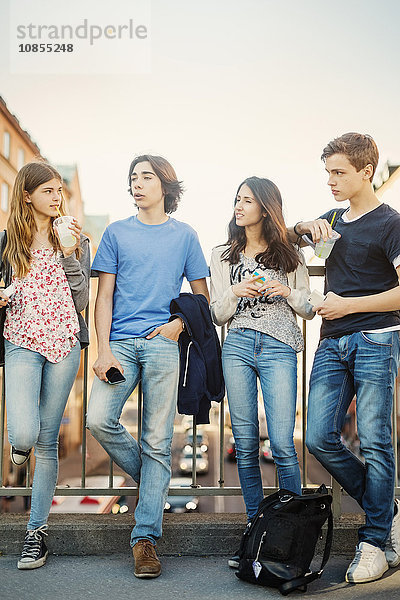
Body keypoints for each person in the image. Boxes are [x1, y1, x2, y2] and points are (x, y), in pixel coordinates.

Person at [87, 154, 209, 579]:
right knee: (98, 419)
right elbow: (103, 297)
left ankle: (145, 540)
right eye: (132, 178)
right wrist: (102, 350)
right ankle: (157, 481)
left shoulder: (185, 236)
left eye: (146, 177)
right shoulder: (116, 232)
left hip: (162, 346)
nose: (137, 184)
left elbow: (201, 297)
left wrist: (177, 326)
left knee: (158, 440)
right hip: (119, 344)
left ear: (165, 186)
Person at [288, 132, 400, 583]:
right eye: (328, 172)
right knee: (317, 437)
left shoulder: (391, 223)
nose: (331, 181)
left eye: (339, 173)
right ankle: (386, 508)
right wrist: (303, 226)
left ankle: (375, 541)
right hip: (332, 341)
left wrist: (348, 305)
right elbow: (292, 238)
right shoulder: (333, 218)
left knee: (375, 441)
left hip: (376, 338)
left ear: (366, 172)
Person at [209, 176, 314, 567]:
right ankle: (256, 534)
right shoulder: (223, 254)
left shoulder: (290, 255)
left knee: (284, 445)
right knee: (246, 443)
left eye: (247, 200)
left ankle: (291, 538)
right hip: (236, 346)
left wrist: (286, 291)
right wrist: (235, 293)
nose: (238, 206)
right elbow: (217, 313)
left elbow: (307, 307)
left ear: (266, 208)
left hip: (279, 348)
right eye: (236, 199)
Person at [0, 161, 90, 570]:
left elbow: (81, 298)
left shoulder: (72, 237)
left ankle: (35, 535)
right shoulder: (7, 243)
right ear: (26, 195)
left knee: (48, 441)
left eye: (60, 190)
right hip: (20, 341)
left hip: (63, 343)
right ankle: (19, 445)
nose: (57, 197)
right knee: (23, 430)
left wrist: (70, 254)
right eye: (49, 191)